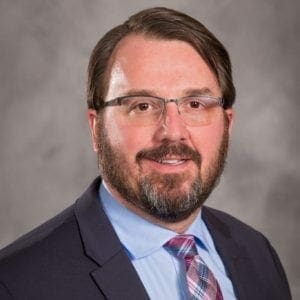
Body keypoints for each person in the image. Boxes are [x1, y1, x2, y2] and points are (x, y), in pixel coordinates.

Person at [0, 7, 291, 300]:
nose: (173, 131)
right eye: (142, 106)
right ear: (96, 127)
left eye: (195, 105)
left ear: (227, 123)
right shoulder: (16, 284)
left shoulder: (257, 253)